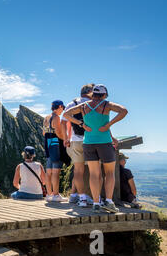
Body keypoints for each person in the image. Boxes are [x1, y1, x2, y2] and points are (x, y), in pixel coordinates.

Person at [63, 84, 128, 213]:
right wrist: (109, 124)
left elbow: (67, 113)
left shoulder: (83, 106)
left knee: (94, 174)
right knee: (109, 173)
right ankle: (109, 202)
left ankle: (96, 203)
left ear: (93, 94)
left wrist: (81, 124)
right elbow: (124, 111)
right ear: (104, 95)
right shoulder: (106, 104)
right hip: (104, 142)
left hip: (88, 143)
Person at [61, 84, 95, 207]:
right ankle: (97, 198)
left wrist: (66, 138)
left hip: (75, 140)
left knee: (78, 171)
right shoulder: (94, 103)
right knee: (94, 171)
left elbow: (63, 121)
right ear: (90, 92)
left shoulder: (72, 104)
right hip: (91, 140)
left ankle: (82, 199)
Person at [43, 100, 68, 202]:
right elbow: (58, 133)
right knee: (56, 172)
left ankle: (49, 194)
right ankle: (56, 195)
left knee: (48, 171)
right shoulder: (56, 117)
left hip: (48, 143)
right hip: (56, 144)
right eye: (63, 108)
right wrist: (65, 139)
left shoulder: (46, 117)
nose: (62, 111)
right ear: (60, 106)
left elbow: (44, 133)